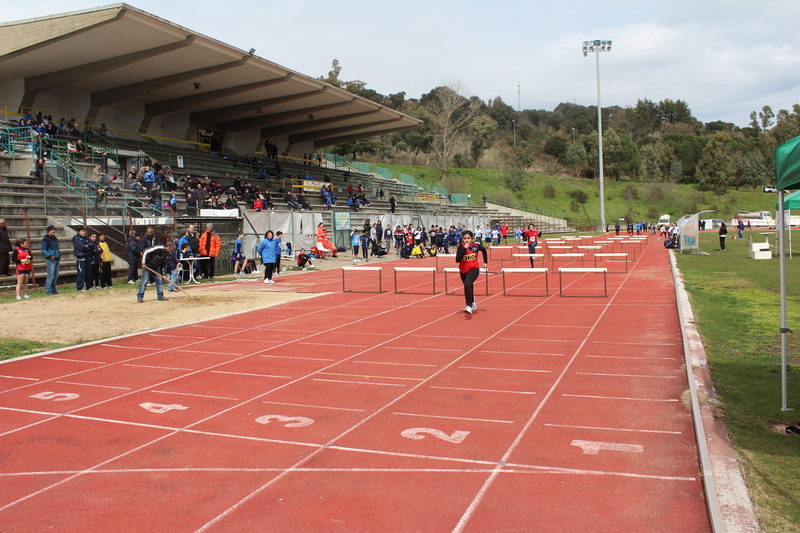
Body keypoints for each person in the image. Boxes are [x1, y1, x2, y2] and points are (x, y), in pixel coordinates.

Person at [456, 230, 487, 315]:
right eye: (465, 238)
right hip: (463, 270)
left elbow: (484, 250)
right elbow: (457, 260)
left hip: (474, 269)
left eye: (468, 238)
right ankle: (472, 300)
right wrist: (465, 249)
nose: (466, 240)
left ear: (472, 239)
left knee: (467, 284)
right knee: (468, 286)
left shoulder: (476, 246)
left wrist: (485, 262)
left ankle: (468, 306)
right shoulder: (461, 246)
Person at [41, 225, 61, 295]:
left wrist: (59, 254)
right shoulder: (45, 239)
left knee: (55, 276)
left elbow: (57, 248)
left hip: (56, 258)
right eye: (52, 230)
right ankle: (48, 290)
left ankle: (53, 289)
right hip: (51, 259)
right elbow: (43, 250)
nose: (53, 232)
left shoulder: (55, 238)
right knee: (51, 275)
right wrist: (49, 255)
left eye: (54, 230)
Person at [72, 227, 92, 291]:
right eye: (82, 231)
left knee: (88, 273)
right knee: (81, 273)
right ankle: (80, 287)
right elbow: (82, 248)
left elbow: (92, 245)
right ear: (79, 231)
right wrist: (87, 246)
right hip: (81, 258)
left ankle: (89, 286)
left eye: (84, 231)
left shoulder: (86, 238)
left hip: (87, 257)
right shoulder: (76, 238)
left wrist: (87, 246)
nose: (84, 232)